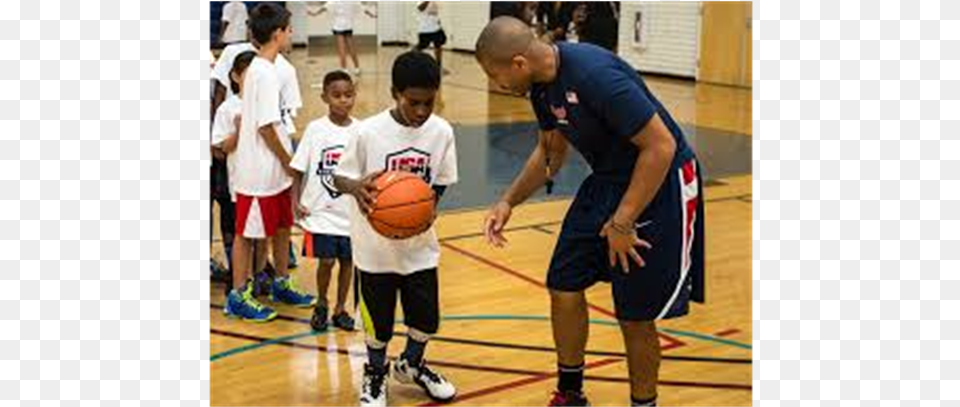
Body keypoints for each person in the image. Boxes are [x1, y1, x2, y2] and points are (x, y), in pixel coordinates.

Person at [475, 17, 705, 407]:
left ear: (517, 63)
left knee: (634, 313)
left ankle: (643, 403)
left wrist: (623, 220)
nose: (496, 84)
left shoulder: (595, 76)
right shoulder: (540, 86)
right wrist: (507, 201)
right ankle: (570, 393)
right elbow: (551, 150)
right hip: (609, 179)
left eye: (495, 75)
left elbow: (660, 147)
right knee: (563, 284)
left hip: (659, 180)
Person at [334, 51, 458, 407]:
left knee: (426, 319)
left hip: (420, 247)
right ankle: (375, 373)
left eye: (428, 102)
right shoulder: (368, 132)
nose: (421, 111)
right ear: (394, 93)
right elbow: (339, 175)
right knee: (378, 323)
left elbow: (443, 180)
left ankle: (411, 365)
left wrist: (429, 204)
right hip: (374, 251)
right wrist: (356, 187)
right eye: (413, 102)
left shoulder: (441, 131)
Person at [224, 3, 317, 322]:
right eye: (289, 29)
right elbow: (265, 127)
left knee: (280, 228)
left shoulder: (272, 68)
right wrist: (289, 161)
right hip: (258, 171)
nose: (291, 34)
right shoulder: (262, 73)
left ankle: (280, 283)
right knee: (246, 235)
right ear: (277, 34)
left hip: (273, 169)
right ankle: (238, 295)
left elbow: (276, 122)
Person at [290, 70, 362, 332]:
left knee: (347, 263)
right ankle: (322, 302)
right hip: (321, 212)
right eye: (337, 95)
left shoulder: (361, 130)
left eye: (348, 95)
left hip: (350, 213)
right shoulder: (315, 129)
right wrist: (294, 200)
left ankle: (340, 309)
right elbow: (297, 169)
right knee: (327, 261)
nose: (343, 100)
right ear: (325, 97)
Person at [211, 50, 258, 294]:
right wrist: (239, 131)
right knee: (242, 233)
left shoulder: (268, 103)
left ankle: (258, 278)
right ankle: (240, 285)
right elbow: (220, 150)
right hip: (240, 183)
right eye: (249, 75)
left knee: (262, 235)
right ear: (236, 76)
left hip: (266, 182)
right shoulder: (228, 109)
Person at [309, 2, 377, 75]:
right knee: (352, 48)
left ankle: (344, 69)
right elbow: (362, 7)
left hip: (338, 26)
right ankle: (357, 68)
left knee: (342, 49)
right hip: (348, 26)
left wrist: (314, 13)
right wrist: (371, 15)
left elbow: (326, 7)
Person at [415, 2, 447, 74]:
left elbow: (436, 14)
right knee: (421, 46)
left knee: (438, 45)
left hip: (436, 28)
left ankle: (438, 66)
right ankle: (411, 59)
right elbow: (420, 8)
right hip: (425, 29)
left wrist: (439, 22)